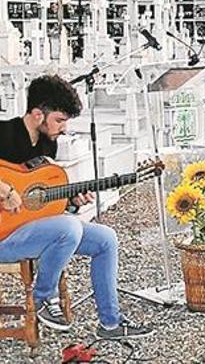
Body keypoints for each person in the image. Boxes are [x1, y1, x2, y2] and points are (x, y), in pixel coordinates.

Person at [0, 75, 153, 339]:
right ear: (38, 114)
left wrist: (70, 201)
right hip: (4, 237)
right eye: (60, 120)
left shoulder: (48, 143)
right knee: (68, 228)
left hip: (28, 230)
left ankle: (110, 323)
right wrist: (6, 189)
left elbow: (41, 202)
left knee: (106, 238)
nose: (64, 127)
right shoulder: (5, 133)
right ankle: (43, 298)